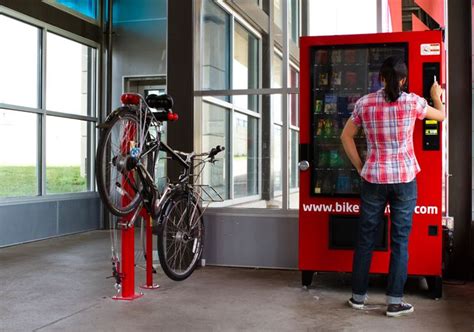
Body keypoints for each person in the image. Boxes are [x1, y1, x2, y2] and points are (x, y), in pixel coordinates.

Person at [340, 56, 445, 317]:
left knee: (365, 239)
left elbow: (346, 136)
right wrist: (436, 94)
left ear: (381, 78)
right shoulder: (413, 102)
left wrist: (360, 167)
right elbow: (441, 116)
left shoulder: (365, 103)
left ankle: (357, 297)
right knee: (400, 241)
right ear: (403, 80)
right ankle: (395, 302)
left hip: (373, 179)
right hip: (405, 179)